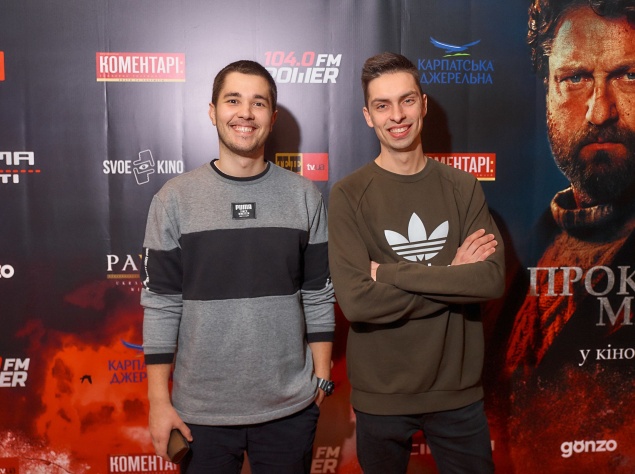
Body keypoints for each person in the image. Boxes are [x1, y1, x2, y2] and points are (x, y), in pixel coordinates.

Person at [140, 60, 335, 473]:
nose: (245, 113)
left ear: (272, 117)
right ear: (212, 111)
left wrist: (321, 376)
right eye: (233, 100)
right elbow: (161, 303)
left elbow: (318, 291)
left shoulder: (305, 196)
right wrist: (158, 401)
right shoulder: (173, 199)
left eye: (258, 103)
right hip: (199, 415)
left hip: (290, 410)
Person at [328, 52, 505, 474]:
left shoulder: (462, 187)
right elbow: (357, 303)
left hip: (457, 393)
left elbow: (490, 280)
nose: (397, 116)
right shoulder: (348, 195)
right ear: (368, 116)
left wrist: (390, 273)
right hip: (381, 397)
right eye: (382, 105)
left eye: (406, 101)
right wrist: (454, 278)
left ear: (423, 105)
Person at [485, 1, 635, 470]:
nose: (599, 111)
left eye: (628, 75)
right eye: (575, 79)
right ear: (547, 92)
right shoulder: (524, 253)